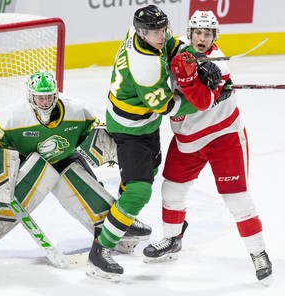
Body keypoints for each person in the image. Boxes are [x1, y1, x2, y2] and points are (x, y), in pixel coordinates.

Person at [86, 5, 223, 281]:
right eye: (156, 32)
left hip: (143, 123)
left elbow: (173, 45)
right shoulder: (144, 66)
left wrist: (196, 57)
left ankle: (122, 219)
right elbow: (169, 106)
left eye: (163, 29)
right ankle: (100, 251)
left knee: (147, 173)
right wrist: (208, 96)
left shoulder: (142, 34)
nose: (162, 35)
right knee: (139, 191)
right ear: (141, 32)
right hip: (130, 129)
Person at [0, 70, 152, 260]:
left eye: (48, 97)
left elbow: (96, 131)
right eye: (39, 98)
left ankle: (118, 235)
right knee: (9, 196)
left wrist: (106, 148)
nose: (44, 102)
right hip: (29, 164)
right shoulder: (13, 116)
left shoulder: (77, 110)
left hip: (66, 159)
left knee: (89, 192)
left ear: (56, 95)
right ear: (29, 96)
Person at [142, 10, 273, 286]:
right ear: (189, 34)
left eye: (208, 34)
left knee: (236, 198)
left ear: (215, 36)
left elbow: (201, 101)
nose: (202, 38)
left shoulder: (219, 65)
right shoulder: (176, 48)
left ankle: (258, 253)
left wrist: (198, 82)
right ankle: (172, 239)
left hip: (223, 137)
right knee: (171, 189)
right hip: (187, 139)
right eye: (198, 33)